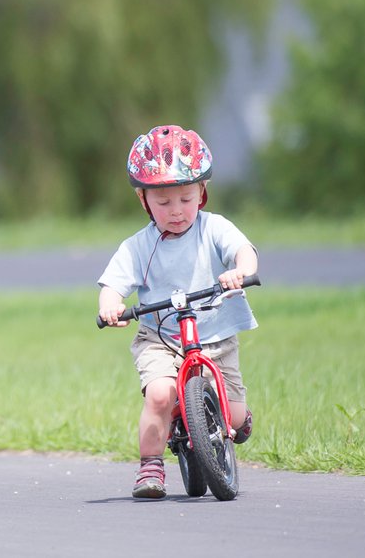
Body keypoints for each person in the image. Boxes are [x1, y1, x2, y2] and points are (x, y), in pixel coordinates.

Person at [97, 124, 258, 500]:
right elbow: (113, 284)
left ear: (201, 193)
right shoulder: (139, 246)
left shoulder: (212, 228)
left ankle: (229, 419)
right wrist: (111, 308)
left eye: (185, 199)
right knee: (159, 394)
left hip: (214, 333)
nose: (176, 211)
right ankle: (151, 466)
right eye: (163, 202)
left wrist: (240, 271)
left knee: (233, 419)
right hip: (161, 338)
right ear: (143, 200)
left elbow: (243, 250)